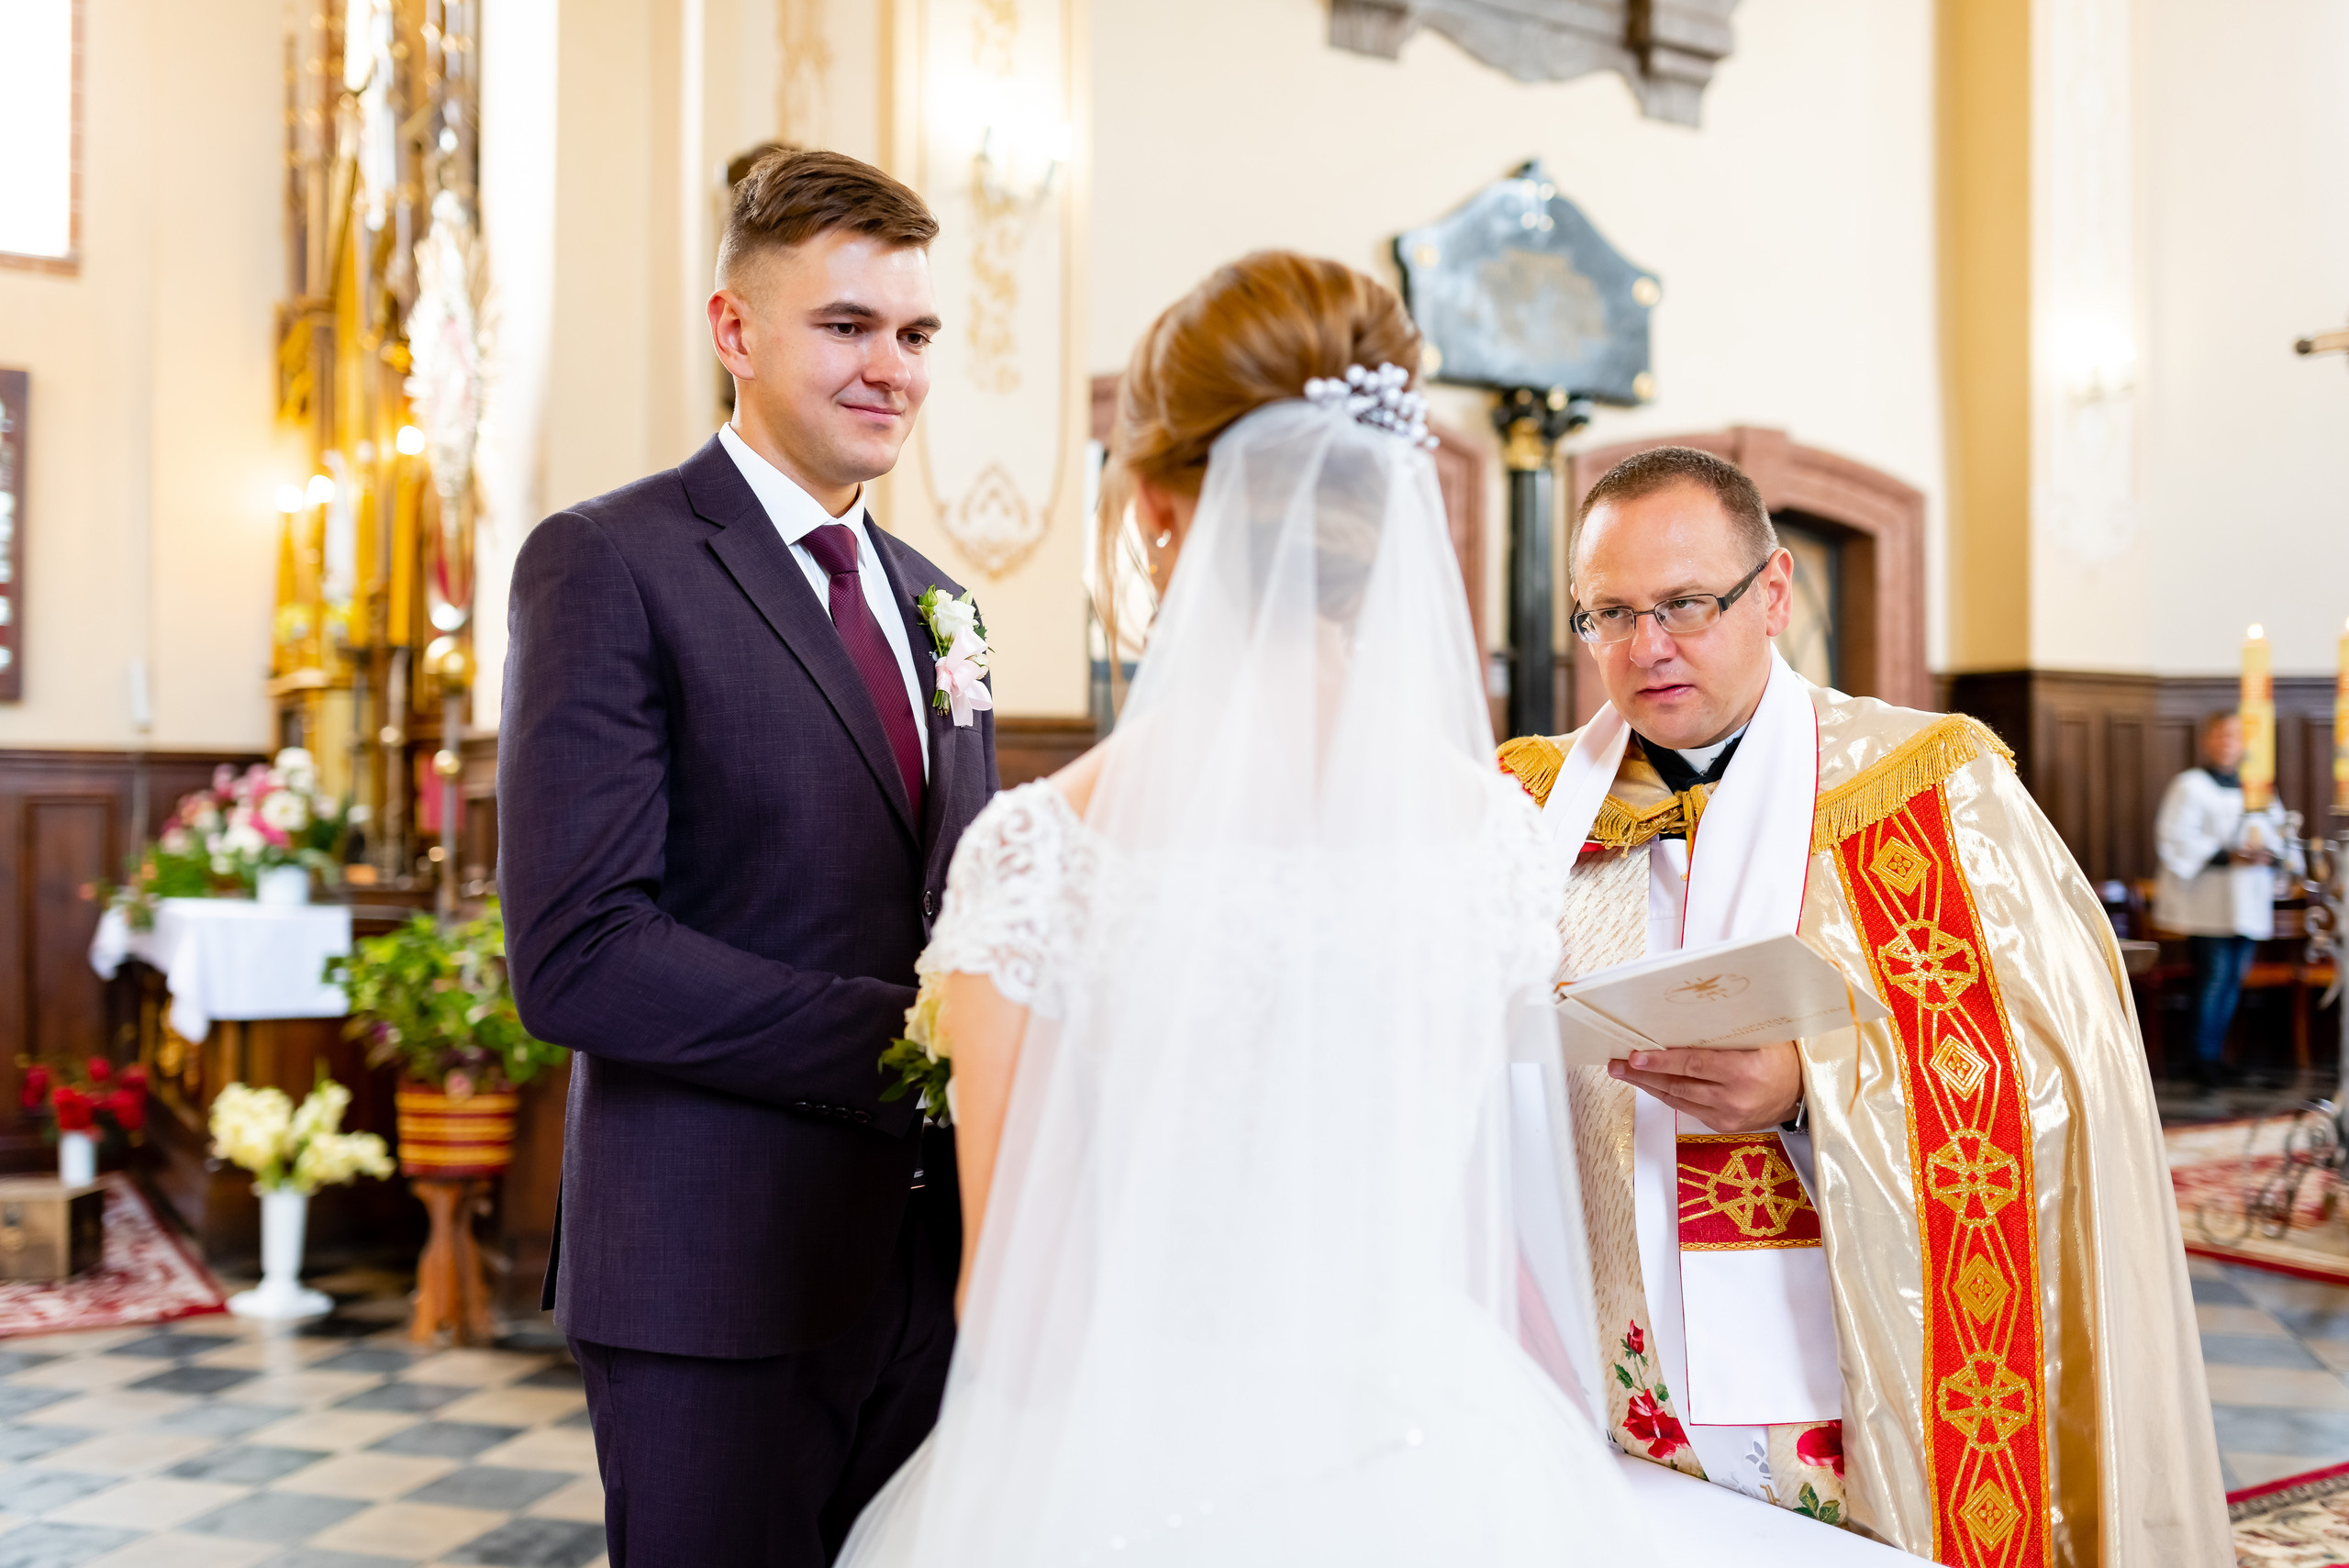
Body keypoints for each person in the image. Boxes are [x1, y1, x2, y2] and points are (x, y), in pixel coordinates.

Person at [836, 257, 1915, 1568]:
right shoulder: (1493, 839)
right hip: (1434, 1440)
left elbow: (1017, 1320)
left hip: (1148, 1462)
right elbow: (1485, 1213)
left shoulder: (1041, 857)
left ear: (1158, 506)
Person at [1497, 447, 2229, 1565]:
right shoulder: (1527, 810)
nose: (1647, 646)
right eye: (1609, 613)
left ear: (1772, 592)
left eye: (1684, 603)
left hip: (1846, 1374)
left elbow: (2061, 1074)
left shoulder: (1930, 788)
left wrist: (1812, 1087)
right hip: (1591, 1360)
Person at [497, 149, 997, 1567]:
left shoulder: (942, 605)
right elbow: (580, 955)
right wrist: (922, 1039)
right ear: (736, 330)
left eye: (914, 334)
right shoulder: (609, 561)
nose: (891, 369)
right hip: (709, 1272)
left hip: (932, 1273)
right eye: (846, 326)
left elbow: (972, 903)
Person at [2154, 712, 2289, 1087]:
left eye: (2235, 736)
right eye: (2221, 735)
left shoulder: (2258, 787)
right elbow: (2175, 838)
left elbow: (2280, 834)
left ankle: (2215, 1054)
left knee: (2234, 979)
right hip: (2209, 900)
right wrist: (2228, 855)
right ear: (2207, 741)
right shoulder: (2190, 785)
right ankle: (2200, 1056)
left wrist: (2269, 853)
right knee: (2213, 977)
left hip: (2249, 896)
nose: (2228, 742)